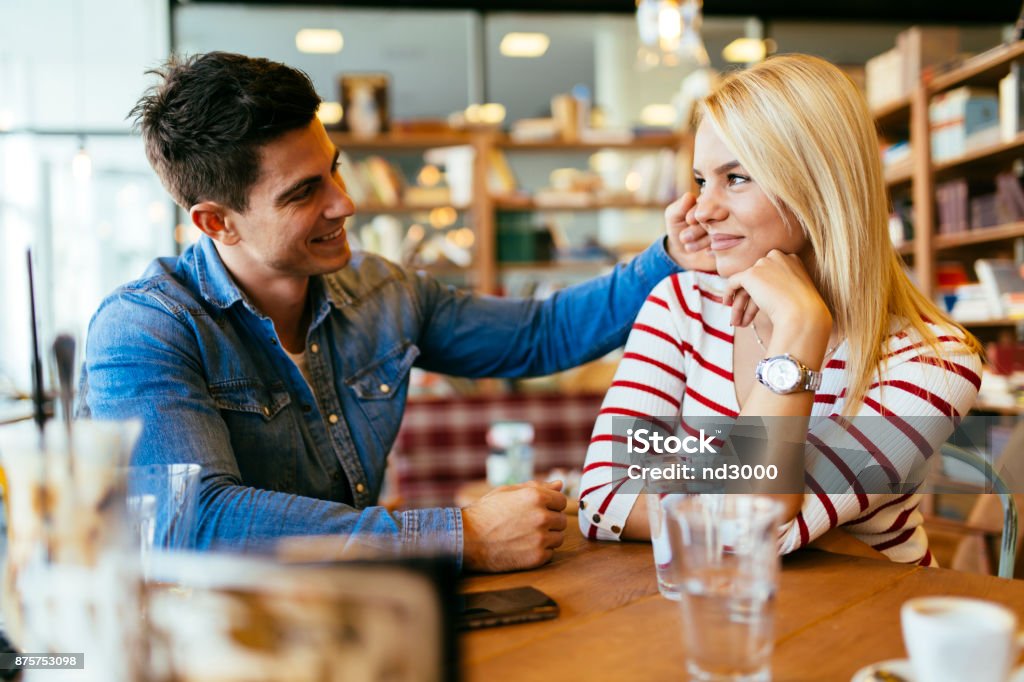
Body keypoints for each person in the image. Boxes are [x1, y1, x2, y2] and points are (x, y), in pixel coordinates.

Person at [77, 52, 711, 573]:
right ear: (217, 222)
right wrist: (458, 535)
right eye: (304, 193)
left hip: (352, 625)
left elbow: (539, 335)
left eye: (334, 171)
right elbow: (193, 524)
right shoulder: (143, 330)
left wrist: (667, 256)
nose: (345, 204)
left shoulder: (381, 292)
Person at [579, 54, 983, 565]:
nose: (702, 209)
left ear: (818, 187)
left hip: (869, 625)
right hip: (722, 614)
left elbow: (754, 529)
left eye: (737, 178)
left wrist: (799, 329)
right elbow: (602, 499)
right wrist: (724, 514)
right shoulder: (681, 306)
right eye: (703, 180)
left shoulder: (936, 363)